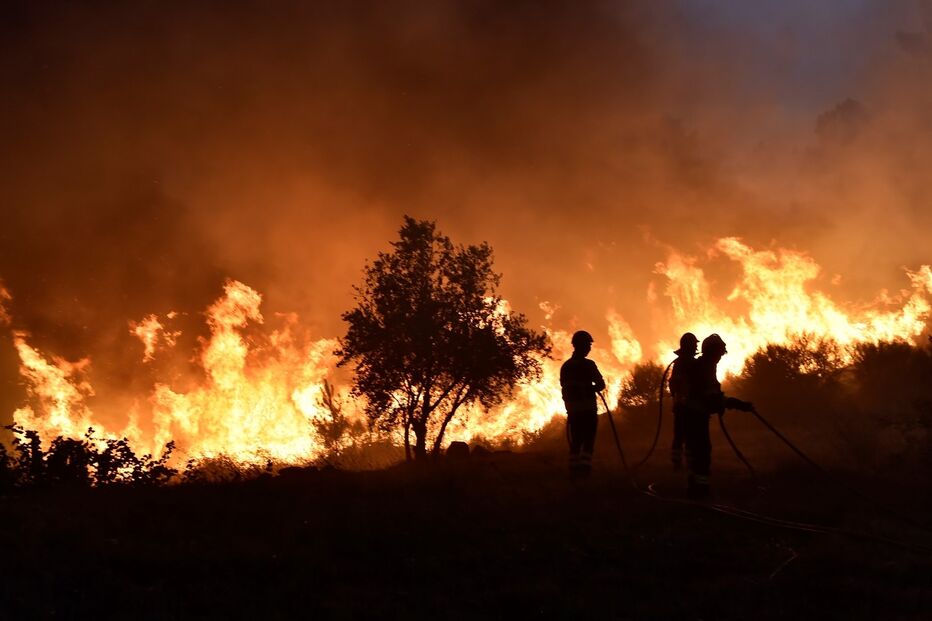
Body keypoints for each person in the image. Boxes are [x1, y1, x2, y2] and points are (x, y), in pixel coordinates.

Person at [683, 333, 754, 499]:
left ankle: (696, 494)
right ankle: (699, 496)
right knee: (701, 456)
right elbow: (708, 396)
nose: (721, 357)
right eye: (719, 353)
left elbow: (712, 395)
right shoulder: (702, 368)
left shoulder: (706, 366)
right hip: (694, 419)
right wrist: (736, 404)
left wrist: (732, 403)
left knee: (700, 456)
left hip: (697, 418)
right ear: (711, 352)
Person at [560, 330, 606, 477]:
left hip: (574, 411)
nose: (589, 348)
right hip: (588, 410)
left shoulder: (566, 366)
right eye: (588, 345)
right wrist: (591, 388)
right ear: (583, 346)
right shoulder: (589, 365)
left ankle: (574, 471)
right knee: (588, 441)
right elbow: (600, 384)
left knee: (576, 441)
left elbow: (565, 388)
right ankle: (585, 471)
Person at [668, 332, 699, 471]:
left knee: (679, 435)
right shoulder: (692, 363)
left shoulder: (679, 363)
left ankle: (677, 463)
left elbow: (672, 384)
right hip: (689, 406)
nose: (696, 347)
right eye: (694, 345)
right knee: (691, 436)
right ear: (690, 346)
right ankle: (689, 464)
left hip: (680, 405)